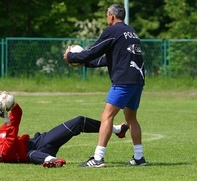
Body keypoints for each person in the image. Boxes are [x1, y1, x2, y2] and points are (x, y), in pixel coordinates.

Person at [63, 4, 146, 167]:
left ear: (112, 16)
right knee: (131, 119)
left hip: (123, 81)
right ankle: (139, 157)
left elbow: (93, 51)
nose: (107, 18)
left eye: (107, 15)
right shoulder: (132, 32)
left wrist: (72, 56)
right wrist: (84, 63)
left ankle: (98, 158)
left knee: (106, 117)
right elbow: (108, 60)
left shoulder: (112, 31)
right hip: (137, 80)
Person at [0, 91, 129, 168]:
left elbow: (18, 115)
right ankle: (52, 161)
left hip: (38, 141)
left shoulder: (3, 129)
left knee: (78, 121)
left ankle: (117, 129)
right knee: (32, 155)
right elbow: (9, 146)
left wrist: (12, 105)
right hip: (33, 154)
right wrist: (7, 122)